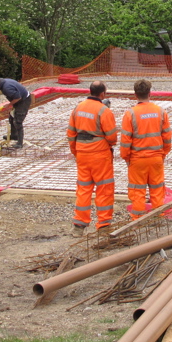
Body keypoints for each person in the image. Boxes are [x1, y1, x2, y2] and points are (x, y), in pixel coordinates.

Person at [66, 81, 119, 236]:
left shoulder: (78, 108)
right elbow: (112, 137)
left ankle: (79, 226)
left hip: (82, 154)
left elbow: (70, 133)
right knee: (104, 189)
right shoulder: (104, 111)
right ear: (102, 94)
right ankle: (103, 225)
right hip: (100, 155)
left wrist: (76, 151)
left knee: (83, 189)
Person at [120, 79, 172, 220]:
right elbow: (167, 136)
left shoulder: (130, 114)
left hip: (137, 160)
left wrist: (126, 157)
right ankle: (158, 218)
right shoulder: (160, 112)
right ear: (150, 93)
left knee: (137, 192)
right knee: (157, 191)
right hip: (156, 158)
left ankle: (137, 221)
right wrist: (163, 153)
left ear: (135, 95)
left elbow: (125, 140)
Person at [0, 75, 31, 148]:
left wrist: (9, 104)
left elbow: (18, 97)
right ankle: (14, 135)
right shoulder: (4, 82)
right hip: (20, 100)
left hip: (24, 100)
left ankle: (19, 143)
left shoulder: (6, 87)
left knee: (17, 121)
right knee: (11, 118)